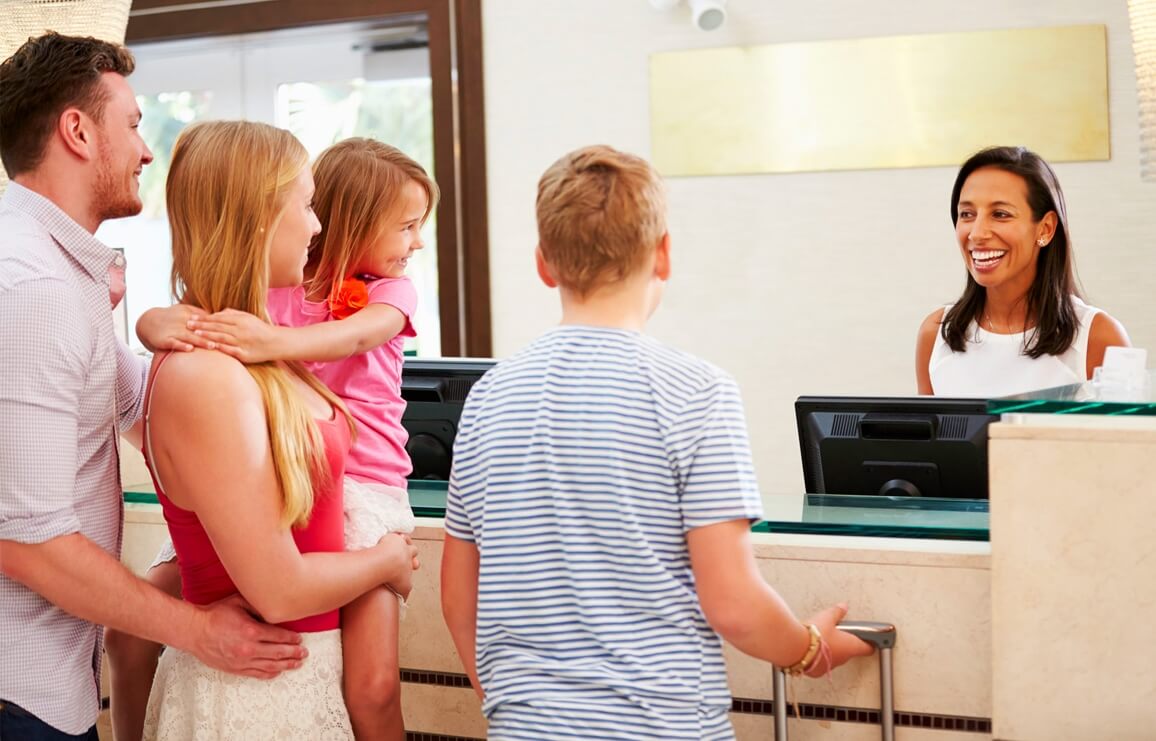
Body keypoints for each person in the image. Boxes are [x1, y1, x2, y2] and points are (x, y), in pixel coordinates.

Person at [440, 145, 873, 740]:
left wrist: (517, 706)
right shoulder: (697, 392)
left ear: (544, 264)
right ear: (663, 253)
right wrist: (808, 651)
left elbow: (461, 596)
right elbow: (733, 603)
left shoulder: (489, 396)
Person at [0, 32, 306, 740]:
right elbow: (28, 540)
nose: (145, 150)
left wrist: (160, 322)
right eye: (134, 124)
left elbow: (139, 401)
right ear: (76, 131)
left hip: (47, 687)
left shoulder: (56, 272)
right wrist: (199, 629)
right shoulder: (35, 287)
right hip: (19, 696)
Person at [123, 138, 437, 740]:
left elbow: (353, 339)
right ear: (353, 221)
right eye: (407, 226)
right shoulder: (274, 293)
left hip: (366, 488)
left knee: (373, 685)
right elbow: (200, 313)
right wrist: (151, 322)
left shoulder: (384, 295)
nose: (416, 241)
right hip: (288, 484)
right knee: (133, 626)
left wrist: (274, 344)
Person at [915, 145, 1131, 397]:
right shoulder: (936, 333)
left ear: (1046, 229)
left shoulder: (1098, 337)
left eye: (1000, 214)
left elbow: (1124, 436)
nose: (977, 233)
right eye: (967, 214)